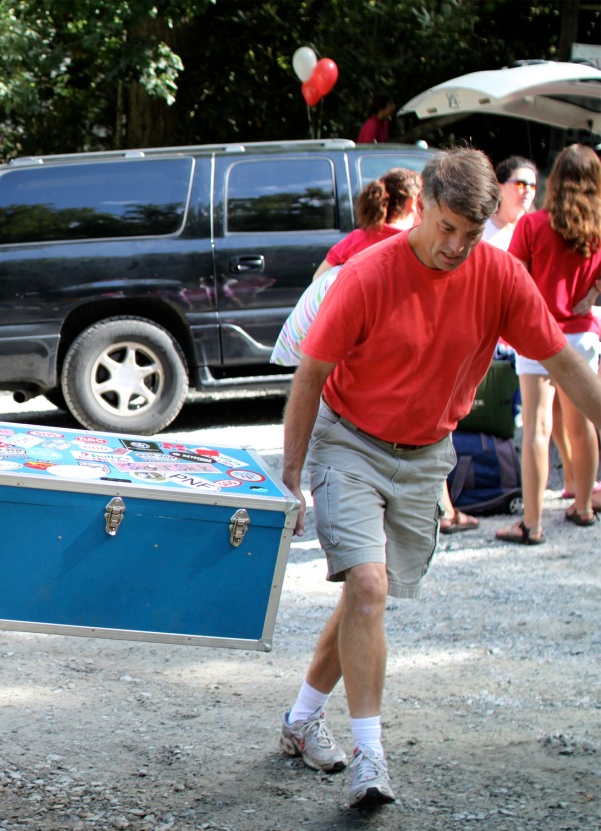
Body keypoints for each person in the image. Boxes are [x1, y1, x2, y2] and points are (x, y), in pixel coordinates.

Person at [277, 148, 601, 809]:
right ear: (421, 206)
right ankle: (371, 757)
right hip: (349, 439)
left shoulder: (501, 276)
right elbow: (309, 376)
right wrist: (292, 476)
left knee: (364, 598)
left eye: (471, 234)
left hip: (426, 451)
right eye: (447, 227)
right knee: (367, 584)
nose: (456, 246)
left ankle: (301, 718)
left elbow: (564, 365)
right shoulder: (367, 275)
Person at [272, 169, 480, 535]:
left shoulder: (355, 240)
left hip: (342, 374)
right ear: (419, 205)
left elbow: (318, 285)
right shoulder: (413, 245)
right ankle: (443, 509)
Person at [496, 144, 601, 542]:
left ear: (555, 179)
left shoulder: (533, 224)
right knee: (582, 424)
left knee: (537, 429)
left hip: (539, 333)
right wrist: (590, 298)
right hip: (582, 332)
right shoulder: (598, 226)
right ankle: (584, 508)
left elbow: (517, 278)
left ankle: (533, 524)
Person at [482, 155, 538, 249]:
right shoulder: (481, 228)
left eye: (532, 186)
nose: (528, 190)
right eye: (520, 184)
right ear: (500, 188)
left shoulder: (536, 232)